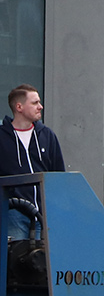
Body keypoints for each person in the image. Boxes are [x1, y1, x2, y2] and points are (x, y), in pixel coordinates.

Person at [0, 85, 66, 240]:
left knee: (42, 262)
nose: (40, 107)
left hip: (45, 216)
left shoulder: (47, 135)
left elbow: (58, 174)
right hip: (13, 214)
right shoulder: (2, 137)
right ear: (19, 107)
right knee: (17, 260)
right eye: (35, 103)